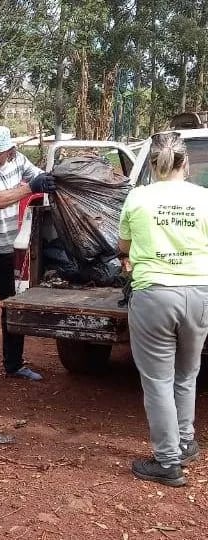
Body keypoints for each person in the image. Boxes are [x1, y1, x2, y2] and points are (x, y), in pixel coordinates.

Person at [118, 132, 208, 487]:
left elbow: (122, 246)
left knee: (158, 381)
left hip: (154, 295)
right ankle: (184, 443)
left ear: (153, 164)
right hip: (200, 294)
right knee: (187, 375)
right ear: (186, 163)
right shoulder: (204, 198)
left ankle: (168, 461)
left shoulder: (137, 197)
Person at [0, 126, 56, 396]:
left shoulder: (19, 161)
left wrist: (51, 180)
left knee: (12, 308)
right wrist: (29, 188)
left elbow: (40, 177)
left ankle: (14, 365)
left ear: (10, 151)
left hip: (7, 247)